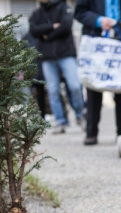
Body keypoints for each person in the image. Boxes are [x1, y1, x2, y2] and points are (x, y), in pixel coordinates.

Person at [74, 0, 121, 145]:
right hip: (97, 42)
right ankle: (91, 132)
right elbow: (79, 12)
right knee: (94, 89)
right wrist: (98, 21)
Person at [29, 0, 86, 134]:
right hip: (48, 58)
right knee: (53, 90)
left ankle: (80, 115)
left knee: (75, 86)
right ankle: (60, 122)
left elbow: (66, 26)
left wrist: (47, 36)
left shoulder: (63, 7)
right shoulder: (37, 13)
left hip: (66, 54)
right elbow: (33, 30)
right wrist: (52, 26)